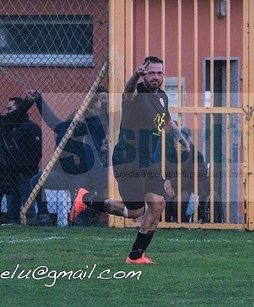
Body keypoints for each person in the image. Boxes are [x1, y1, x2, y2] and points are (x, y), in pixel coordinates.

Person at [69, 56, 190, 264]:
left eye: (159, 73)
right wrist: (135, 76)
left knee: (158, 203)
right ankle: (86, 199)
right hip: (128, 158)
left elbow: (167, 119)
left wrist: (179, 137)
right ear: (145, 74)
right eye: (151, 73)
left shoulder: (162, 97)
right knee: (135, 211)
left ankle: (135, 256)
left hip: (148, 162)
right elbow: (129, 90)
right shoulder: (135, 94)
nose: (155, 77)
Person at [28, 87, 108, 226]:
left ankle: (82, 218)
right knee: (36, 180)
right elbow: (49, 117)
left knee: (79, 203)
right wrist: (39, 100)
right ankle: (43, 214)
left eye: (82, 117)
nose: (79, 119)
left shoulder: (91, 132)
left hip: (80, 176)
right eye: (76, 116)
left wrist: (101, 149)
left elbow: (101, 127)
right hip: (61, 174)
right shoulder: (63, 128)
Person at [163, 126, 222, 223]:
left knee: (179, 201)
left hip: (190, 188)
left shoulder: (196, 155)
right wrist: (166, 184)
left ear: (188, 141)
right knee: (163, 200)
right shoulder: (169, 154)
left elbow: (194, 175)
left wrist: (173, 183)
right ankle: (165, 226)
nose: (179, 143)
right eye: (176, 139)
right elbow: (162, 171)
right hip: (170, 187)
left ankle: (182, 225)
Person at [2, 96, 42, 224]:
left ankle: (31, 222)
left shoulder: (31, 128)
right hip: (9, 173)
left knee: (28, 204)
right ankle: (13, 221)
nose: (6, 111)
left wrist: (26, 171)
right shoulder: (7, 127)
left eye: (10, 108)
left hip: (25, 174)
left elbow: (35, 154)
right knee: (11, 208)